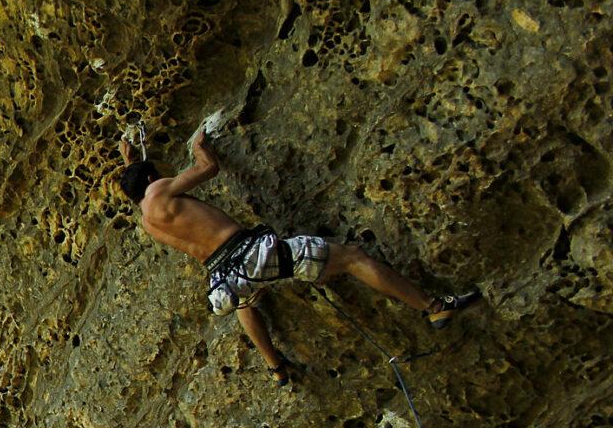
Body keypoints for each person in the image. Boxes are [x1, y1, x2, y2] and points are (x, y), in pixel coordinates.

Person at [118, 129, 480, 384]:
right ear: (152, 176)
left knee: (245, 305)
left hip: (224, 278)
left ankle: (275, 367)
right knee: (353, 257)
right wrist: (200, 144)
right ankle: (434, 306)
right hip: (250, 252)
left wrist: (131, 162)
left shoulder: (148, 220)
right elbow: (207, 169)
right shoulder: (158, 190)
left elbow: (142, 187)